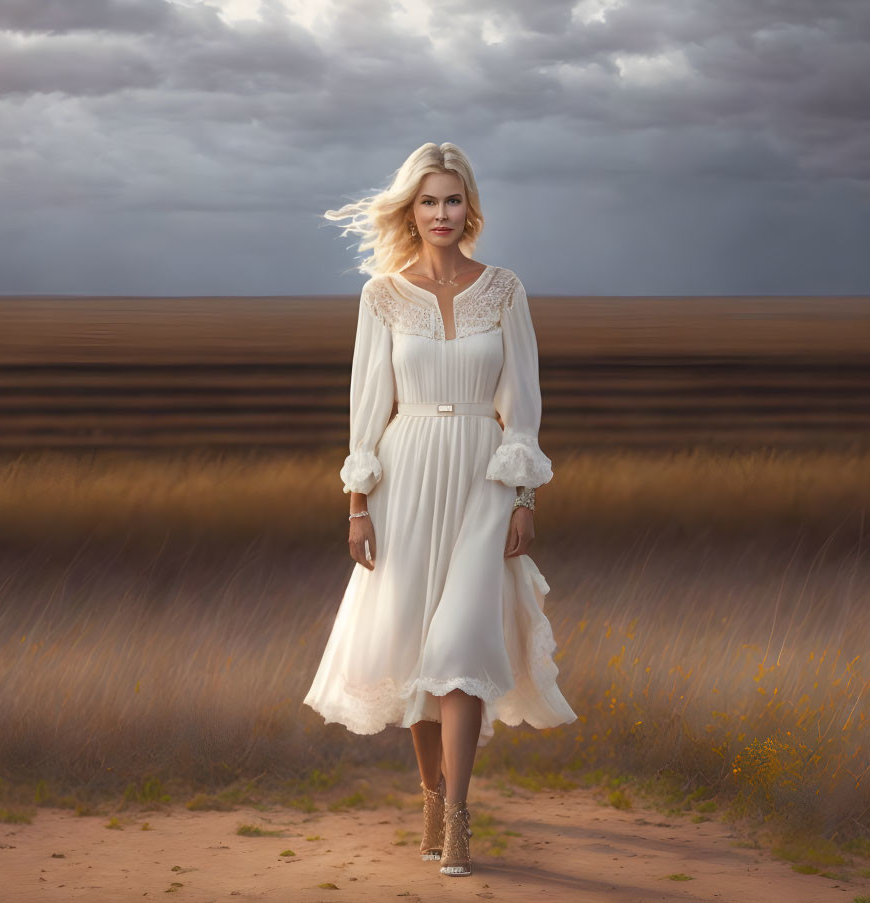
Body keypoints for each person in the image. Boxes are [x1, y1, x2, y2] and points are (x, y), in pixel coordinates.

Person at [303, 142, 577, 878]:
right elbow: (366, 406)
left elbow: (522, 402)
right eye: (427, 201)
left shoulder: (504, 289)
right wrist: (358, 504)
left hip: (482, 476)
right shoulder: (381, 295)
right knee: (415, 652)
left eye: (452, 200)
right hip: (405, 473)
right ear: (411, 210)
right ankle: (430, 796)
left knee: (459, 645)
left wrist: (523, 493)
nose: (440, 214)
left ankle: (457, 816)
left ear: (470, 206)